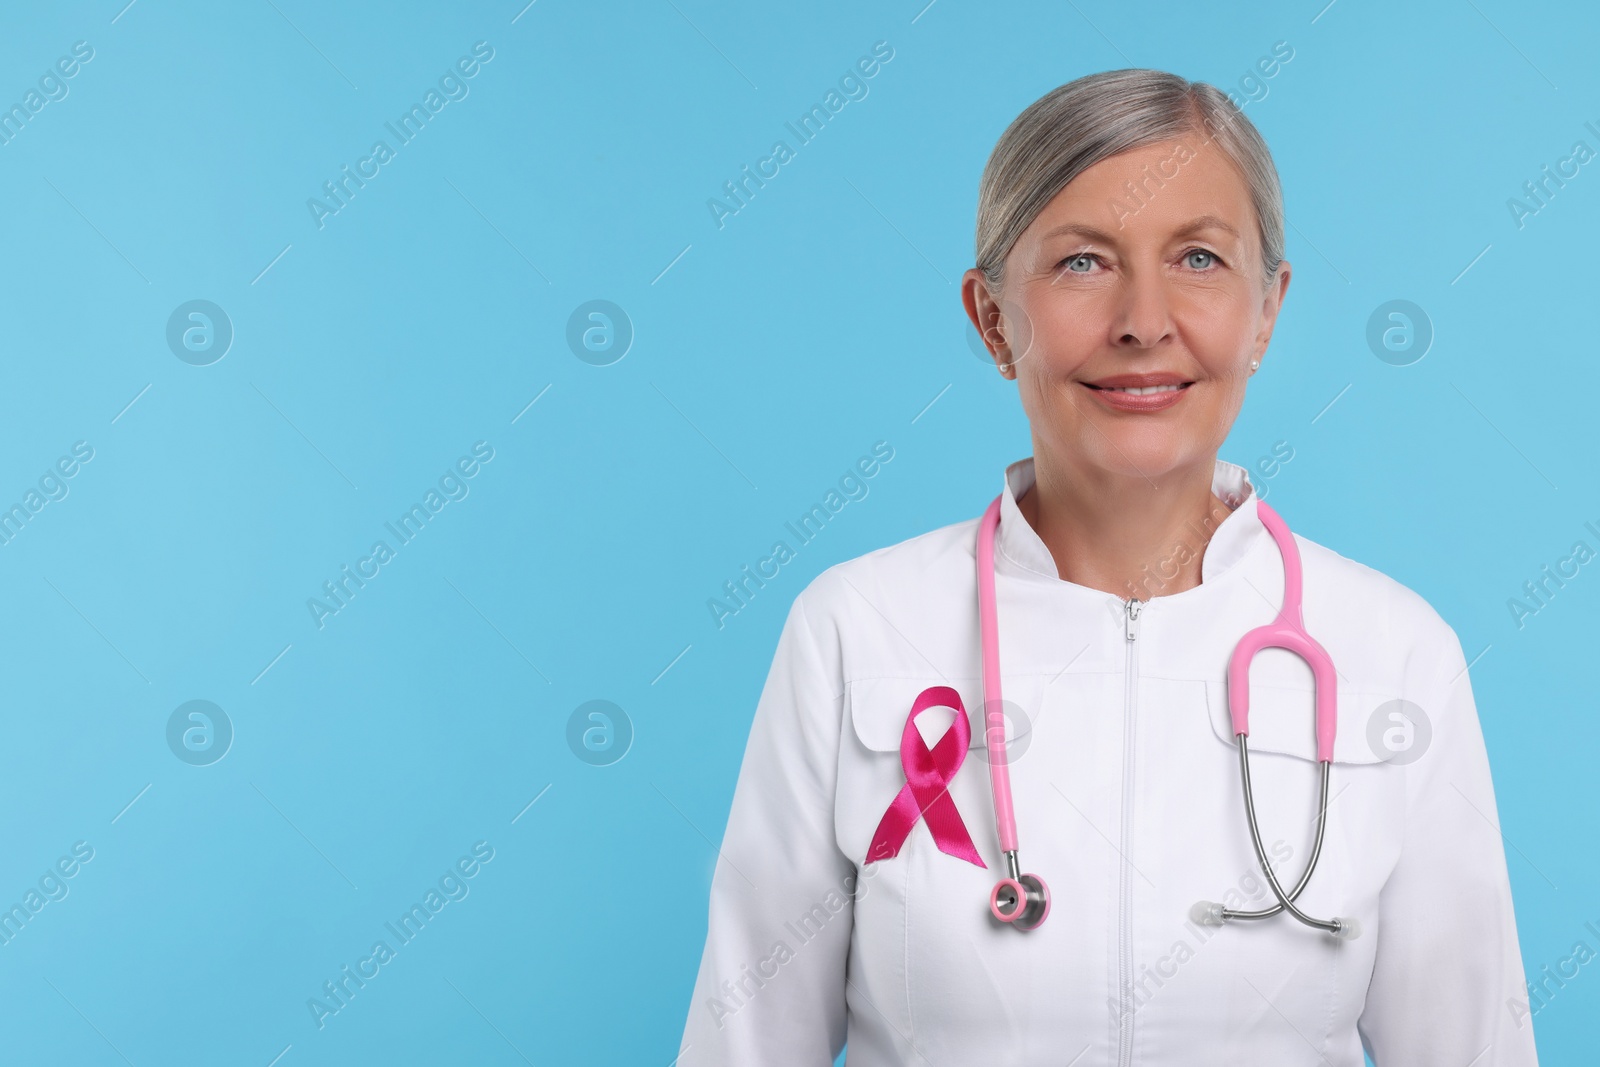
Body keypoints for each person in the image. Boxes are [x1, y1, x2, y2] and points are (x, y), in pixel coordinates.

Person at [676, 68, 1539, 1066]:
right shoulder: (858, 629)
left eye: (1200, 258)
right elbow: (742, 1044)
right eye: (1083, 262)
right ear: (993, 318)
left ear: (1266, 311)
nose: (1142, 319)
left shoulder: (1395, 652)